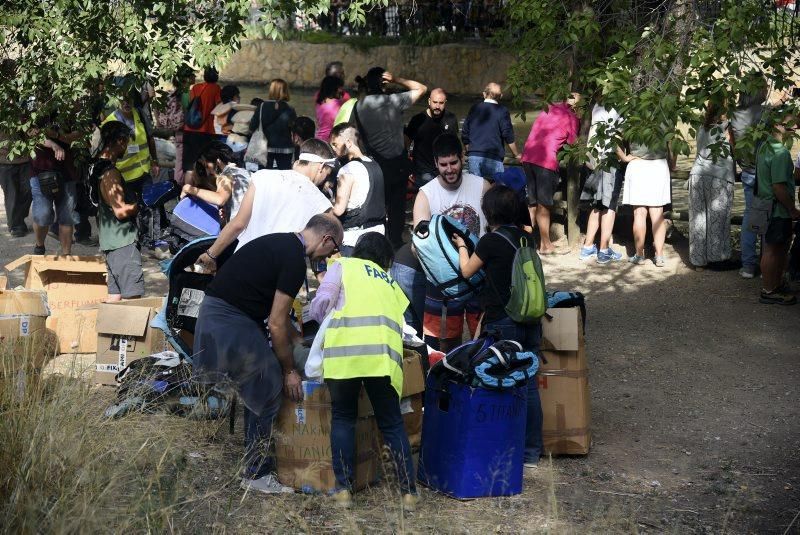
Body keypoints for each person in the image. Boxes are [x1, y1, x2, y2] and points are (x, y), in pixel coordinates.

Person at [193, 214, 343, 494]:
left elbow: (279, 314)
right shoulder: (295, 261)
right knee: (269, 382)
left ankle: (255, 464)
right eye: (334, 247)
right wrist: (290, 371)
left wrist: (299, 342)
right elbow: (275, 322)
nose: (331, 254)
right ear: (325, 238)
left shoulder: (283, 244)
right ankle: (256, 473)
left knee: (261, 382)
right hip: (227, 319)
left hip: (220, 314)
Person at [309, 232, 417, 510]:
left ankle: (343, 491)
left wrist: (321, 325)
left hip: (344, 355)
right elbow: (402, 324)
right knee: (392, 423)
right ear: (386, 260)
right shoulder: (390, 282)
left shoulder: (343, 266)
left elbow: (323, 303)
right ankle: (408, 494)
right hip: (382, 359)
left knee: (344, 417)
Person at [451, 184, 543, 469]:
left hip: (504, 322)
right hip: (530, 318)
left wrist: (463, 247)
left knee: (497, 381)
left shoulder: (491, 241)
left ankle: (500, 443)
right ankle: (531, 452)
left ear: (489, 213)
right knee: (529, 385)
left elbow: (466, 271)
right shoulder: (527, 240)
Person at [197, 139, 336, 271]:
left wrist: (210, 254)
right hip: (278, 275)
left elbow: (238, 223)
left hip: (243, 260)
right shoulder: (322, 205)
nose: (325, 180)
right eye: (327, 174)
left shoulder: (262, 177)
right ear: (321, 167)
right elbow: (321, 249)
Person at [412, 133, 490, 351]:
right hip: (443, 282)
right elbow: (418, 245)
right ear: (436, 163)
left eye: (453, 162)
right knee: (444, 342)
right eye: (443, 164)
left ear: (462, 158)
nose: (449, 169)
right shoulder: (425, 195)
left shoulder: (482, 186)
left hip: (479, 275)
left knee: (485, 335)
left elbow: (495, 228)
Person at [355, 67, 427, 248]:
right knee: (397, 208)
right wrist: (397, 79)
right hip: (397, 164)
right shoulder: (393, 101)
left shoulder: (359, 106)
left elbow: (357, 137)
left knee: (377, 205)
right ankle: (394, 242)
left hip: (374, 164)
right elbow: (421, 89)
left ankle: (375, 241)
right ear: (383, 84)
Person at [522, 93, 580, 254]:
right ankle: (546, 245)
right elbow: (573, 144)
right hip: (545, 161)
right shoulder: (571, 117)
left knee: (532, 204)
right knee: (544, 204)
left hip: (528, 156)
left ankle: (523, 243)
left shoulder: (549, 108)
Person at [93, 122, 143, 302]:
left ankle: (105, 331)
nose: (127, 147)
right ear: (120, 141)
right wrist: (142, 205)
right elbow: (120, 211)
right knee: (133, 299)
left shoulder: (97, 166)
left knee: (114, 297)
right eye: (127, 142)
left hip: (109, 241)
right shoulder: (110, 174)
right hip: (123, 243)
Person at [755, 111, 799, 305]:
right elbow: (779, 186)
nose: (795, 131)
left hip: (765, 205)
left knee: (775, 247)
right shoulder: (780, 153)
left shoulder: (764, 147)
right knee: (772, 249)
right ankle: (769, 290)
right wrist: (792, 209)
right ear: (782, 127)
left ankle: (775, 284)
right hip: (777, 208)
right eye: (792, 127)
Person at [687, 102, 736, 270]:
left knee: (697, 220)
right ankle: (717, 259)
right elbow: (735, 149)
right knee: (718, 219)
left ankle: (698, 260)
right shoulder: (727, 127)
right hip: (718, 175)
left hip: (697, 174)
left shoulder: (702, 128)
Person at [329, 124, 386, 255]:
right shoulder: (375, 164)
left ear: (348, 143)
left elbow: (338, 210)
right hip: (378, 235)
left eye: (335, 144)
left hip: (354, 239)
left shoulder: (347, 170)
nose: (333, 149)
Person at [731, 76, 768, 279]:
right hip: (764, 173)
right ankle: (766, 267)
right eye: (764, 87)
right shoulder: (764, 114)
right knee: (767, 218)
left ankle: (748, 266)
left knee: (749, 217)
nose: (766, 90)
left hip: (746, 171)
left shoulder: (735, 114)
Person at [618, 133, 674, 267]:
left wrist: (624, 157)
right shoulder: (665, 115)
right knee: (657, 214)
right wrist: (673, 162)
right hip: (659, 165)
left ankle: (639, 255)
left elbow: (613, 137)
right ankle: (659, 256)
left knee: (639, 213)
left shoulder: (631, 115)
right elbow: (672, 142)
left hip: (637, 164)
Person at [579, 102, 624, 263]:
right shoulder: (618, 109)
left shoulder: (597, 105)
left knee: (597, 205)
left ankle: (588, 246)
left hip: (593, 160)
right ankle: (603, 250)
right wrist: (624, 157)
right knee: (609, 206)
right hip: (608, 160)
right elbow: (615, 138)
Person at [29, 126, 82, 255]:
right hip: (40, 171)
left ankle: (66, 255)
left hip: (67, 172)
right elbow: (31, 133)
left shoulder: (71, 108)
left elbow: (79, 134)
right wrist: (52, 144)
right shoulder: (31, 107)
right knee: (42, 215)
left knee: (67, 217)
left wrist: (57, 135)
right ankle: (39, 246)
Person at [101, 88, 159, 199]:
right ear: (116, 101)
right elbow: (106, 154)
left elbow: (150, 138)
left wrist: (155, 161)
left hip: (144, 174)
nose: (126, 103)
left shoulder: (140, 114)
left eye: (129, 99)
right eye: (122, 99)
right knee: (133, 211)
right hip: (124, 178)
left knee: (151, 206)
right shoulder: (110, 123)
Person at [181, 141, 251, 223]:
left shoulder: (225, 176)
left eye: (207, 166)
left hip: (242, 228)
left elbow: (220, 199)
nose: (208, 172)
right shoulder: (244, 172)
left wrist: (189, 188)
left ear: (218, 161)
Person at [461, 82, 520, 179]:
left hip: (474, 156)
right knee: (495, 192)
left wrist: (469, 150)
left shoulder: (475, 108)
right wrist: (516, 154)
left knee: (476, 190)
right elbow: (508, 134)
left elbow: (465, 132)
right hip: (494, 157)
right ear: (500, 96)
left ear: (484, 94)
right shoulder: (502, 111)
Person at [404, 88, 459, 188]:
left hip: (445, 169)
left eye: (441, 103)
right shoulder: (418, 119)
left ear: (445, 103)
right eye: (435, 102)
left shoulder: (451, 118)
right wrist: (407, 167)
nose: (437, 106)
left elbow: (455, 145)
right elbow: (406, 144)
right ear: (429, 101)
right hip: (423, 170)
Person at [183, 68, 222, 185]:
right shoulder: (216, 88)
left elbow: (189, 104)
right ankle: (206, 190)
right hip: (206, 130)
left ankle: (186, 193)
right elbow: (219, 106)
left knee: (190, 165)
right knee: (208, 162)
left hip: (189, 129)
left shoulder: (195, 88)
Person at [248, 79, 297, 170]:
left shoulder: (262, 107)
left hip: (265, 149)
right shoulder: (290, 109)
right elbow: (294, 129)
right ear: (285, 91)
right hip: (285, 149)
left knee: (264, 177)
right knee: (285, 177)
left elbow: (252, 127)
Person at [0, 128, 32, 238]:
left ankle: (17, 220)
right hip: (4, 162)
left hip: (25, 160)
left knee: (28, 191)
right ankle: (16, 225)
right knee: (12, 195)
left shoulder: (25, 112)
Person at [315, 76, 346, 142]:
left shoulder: (319, 103)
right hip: (331, 141)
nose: (342, 90)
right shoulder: (338, 103)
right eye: (340, 87)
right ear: (333, 88)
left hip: (319, 139)